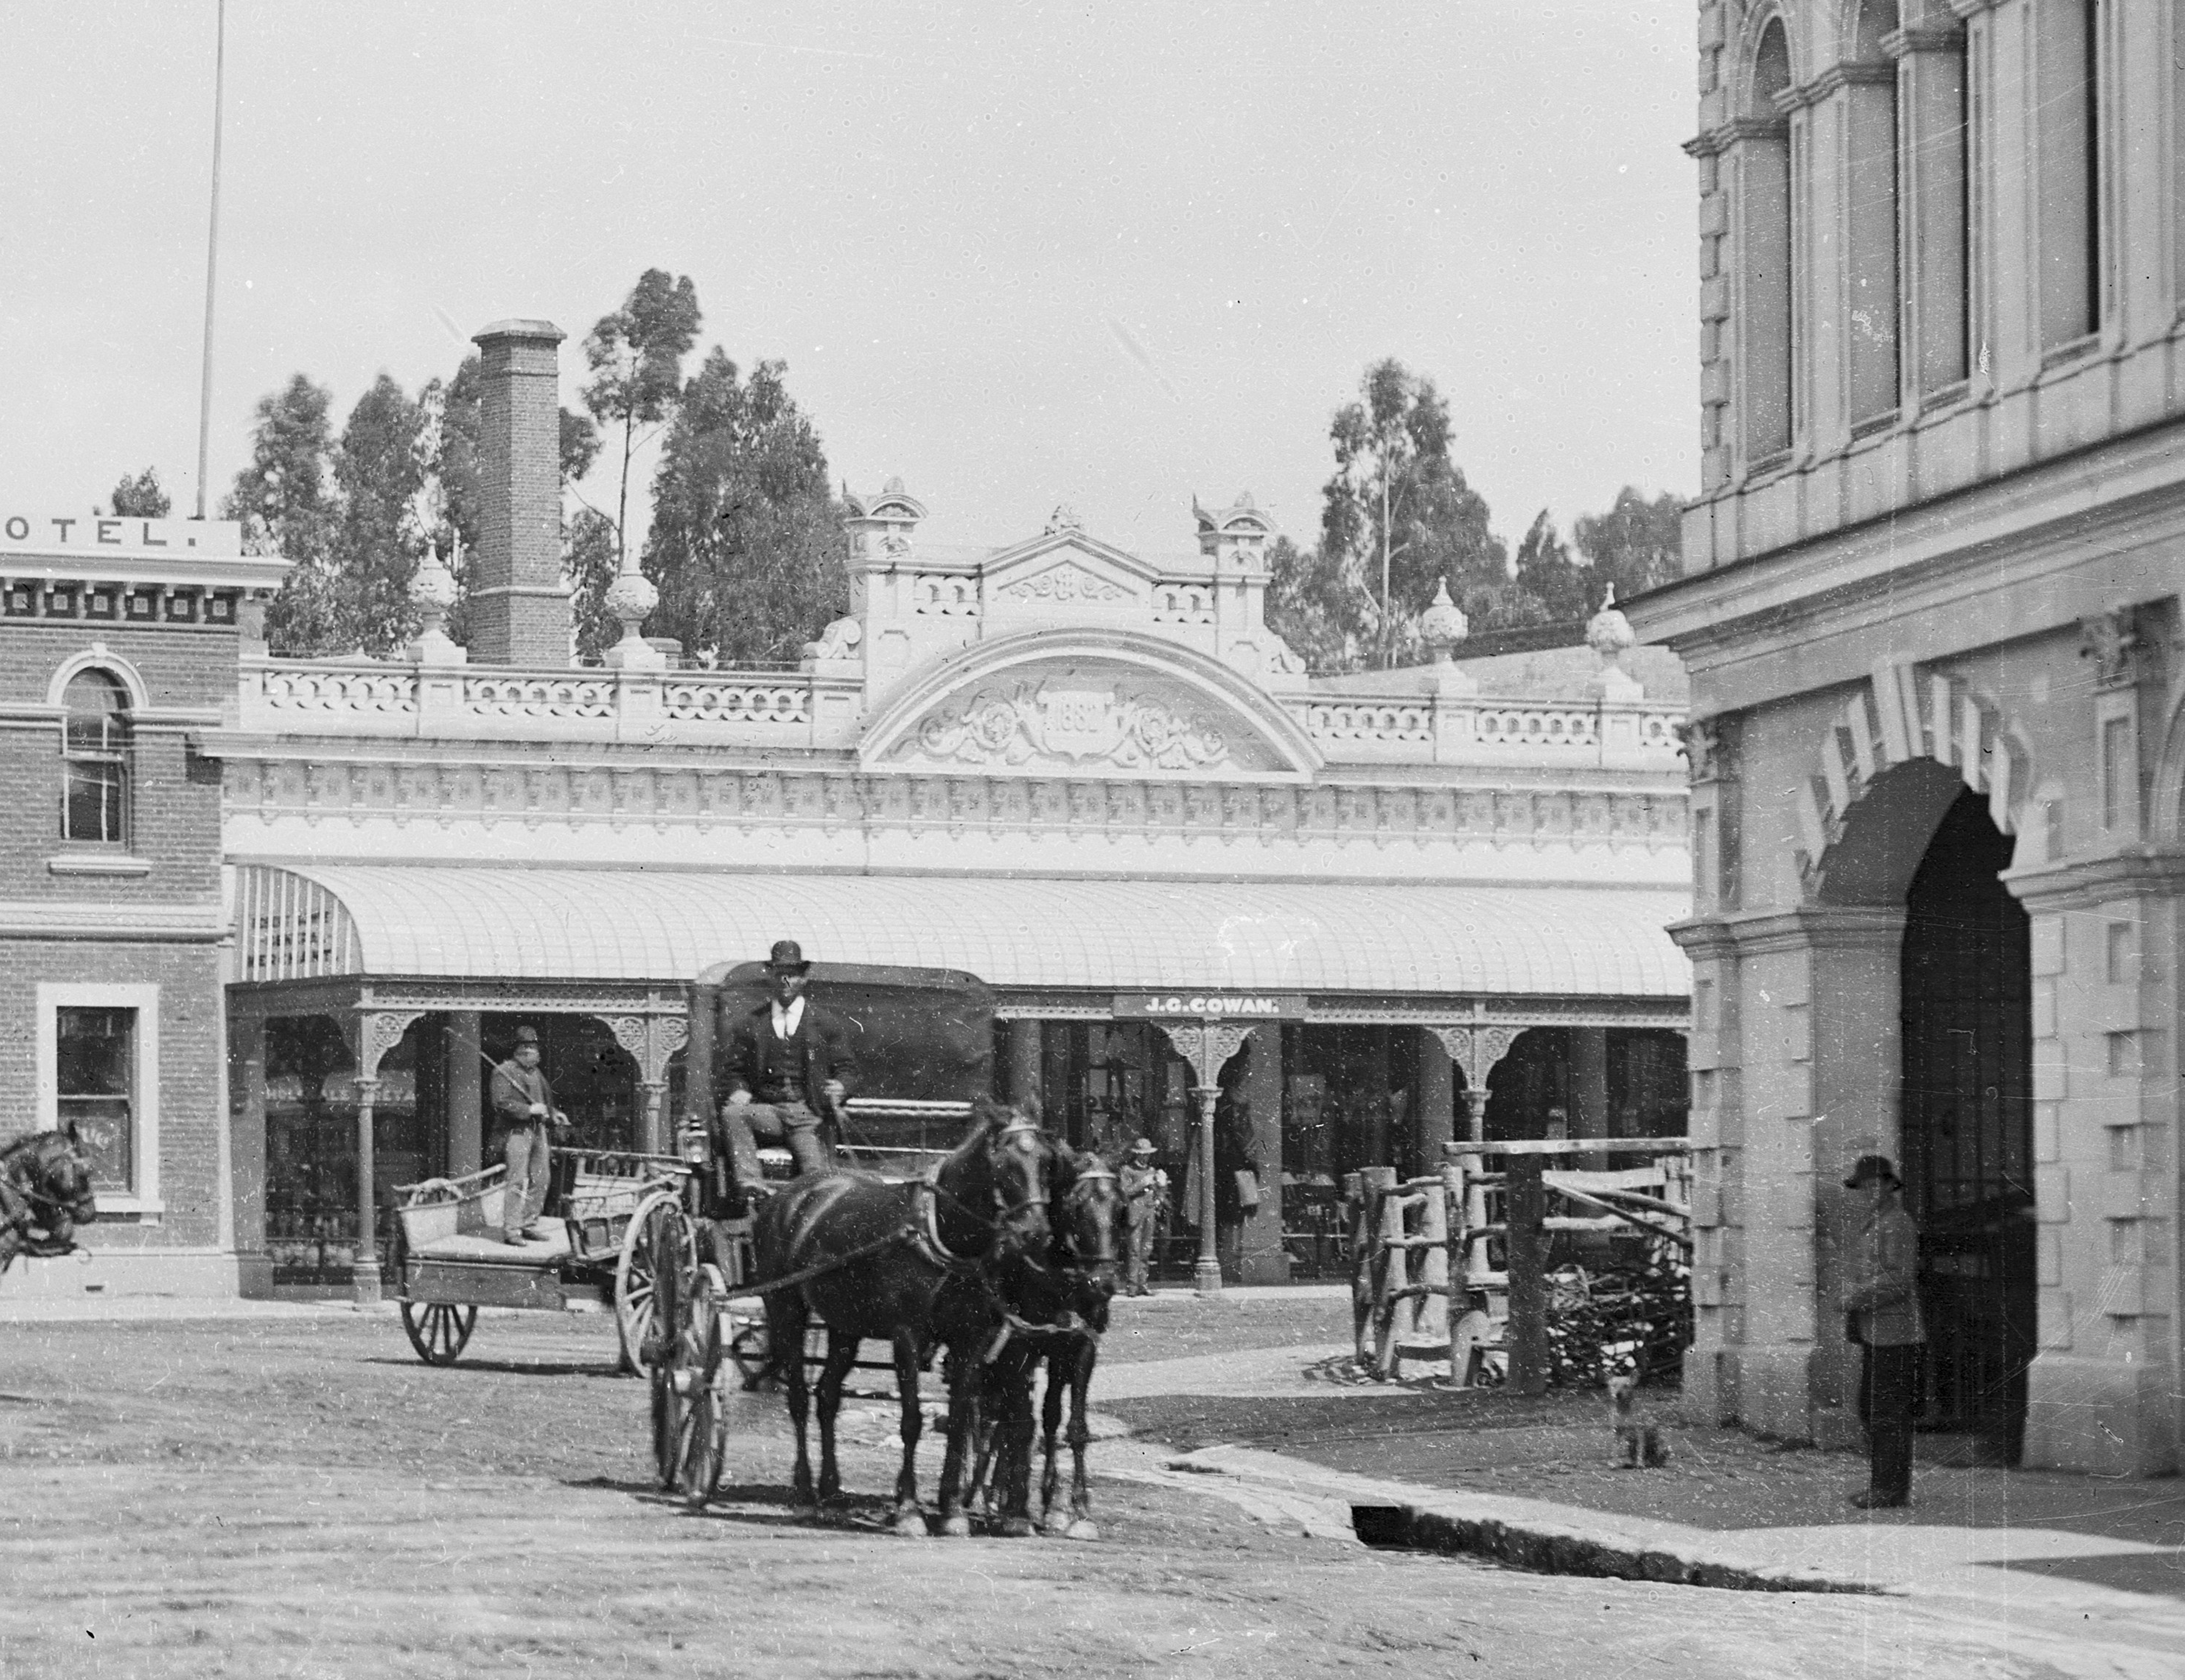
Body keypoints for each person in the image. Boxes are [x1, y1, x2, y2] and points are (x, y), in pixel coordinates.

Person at [717, 939, 857, 1197]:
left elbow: (847, 1069)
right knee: (733, 1114)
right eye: (780, 975)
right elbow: (733, 1070)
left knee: (815, 1178)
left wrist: (842, 1086)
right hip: (769, 1111)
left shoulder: (826, 1023)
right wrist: (739, 1089)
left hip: (806, 1114)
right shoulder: (752, 1023)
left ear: (803, 979)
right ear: (771, 977)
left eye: (792, 976)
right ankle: (751, 1185)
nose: (786, 982)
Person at [1841, 1153, 1925, 1509]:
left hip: (1896, 1333)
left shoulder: (1896, 1222)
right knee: (1872, 1409)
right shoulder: (1877, 1221)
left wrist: (1854, 1296)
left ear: (1891, 1185)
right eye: (1864, 1187)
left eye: (1877, 1184)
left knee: (1885, 1412)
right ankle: (1885, 1485)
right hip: (1878, 1331)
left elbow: (1899, 1279)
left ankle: (1889, 1490)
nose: (1869, 1192)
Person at [490, 1025, 568, 1245]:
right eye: (523, 1047)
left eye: (532, 1047)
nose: (528, 1051)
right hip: (516, 1132)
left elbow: (543, 1102)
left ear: (538, 1051)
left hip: (538, 1131)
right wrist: (528, 1111)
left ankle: (528, 1224)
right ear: (516, 1050)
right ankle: (512, 1231)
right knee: (517, 1181)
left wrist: (554, 1114)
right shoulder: (504, 1071)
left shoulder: (536, 1074)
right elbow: (500, 1103)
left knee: (542, 1179)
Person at [1118, 1137, 1167, 1296]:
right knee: (1134, 1250)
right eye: (1142, 1155)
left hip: (1149, 1212)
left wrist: (1161, 1189)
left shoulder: (1152, 1170)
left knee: (1147, 1250)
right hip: (1135, 1213)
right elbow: (1125, 1192)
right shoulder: (1127, 1170)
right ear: (1137, 1155)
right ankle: (1132, 1287)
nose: (1145, 1158)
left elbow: (1157, 1191)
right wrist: (1142, 1184)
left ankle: (1143, 1285)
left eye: (1147, 1155)